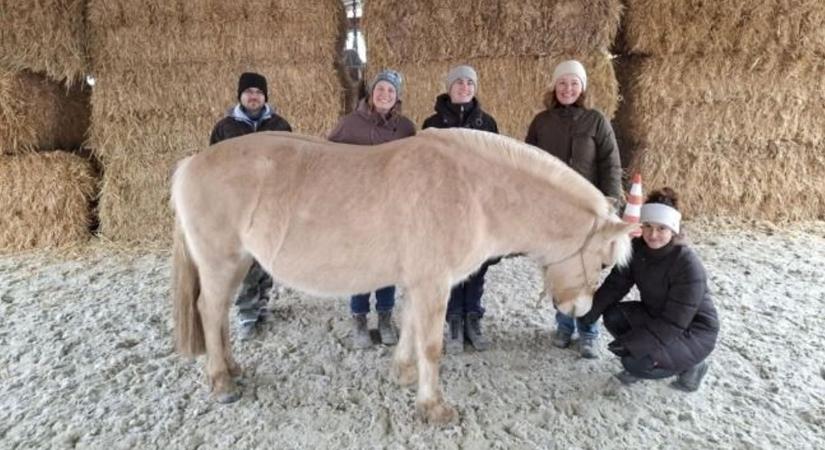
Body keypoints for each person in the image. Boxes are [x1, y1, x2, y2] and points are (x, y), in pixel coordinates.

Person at [525, 59, 623, 358]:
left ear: (582, 88)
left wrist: (611, 199)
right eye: (563, 83)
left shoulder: (596, 121)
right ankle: (564, 324)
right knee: (558, 268)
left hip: (589, 210)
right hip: (553, 212)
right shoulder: (541, 122)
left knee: (586, 270)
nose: (568, 88)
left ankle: (588, 331)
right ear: (554, 87)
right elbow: (527, 164)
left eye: (574, 84)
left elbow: (610, 162)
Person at [578, 188, 719, 391]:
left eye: (661, 228)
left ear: (673, 230)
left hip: (693, 330)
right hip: (656, 315)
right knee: (613, 315)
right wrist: (589, 313)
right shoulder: (637, 249)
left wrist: (635, 345)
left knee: (635, 362)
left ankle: (693, 366)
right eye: (648, 227)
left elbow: (675, 321)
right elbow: (616, 285)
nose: (653, 235)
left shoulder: (687, 265)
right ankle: (650, 356)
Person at [327, 69, 416, 348]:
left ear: (397, 96)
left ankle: (386, 318)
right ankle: (359, 321)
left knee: (389, 265)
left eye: (391, 91)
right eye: (380, 89)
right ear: (371, 93)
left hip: (392, 208)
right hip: (358, 207)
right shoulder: (349, 124)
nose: (385, 94)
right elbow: (327, 158)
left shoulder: (406, 128)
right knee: (360, 264)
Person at [422, 65, 499, 354]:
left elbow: (496, 166)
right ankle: (453, 320)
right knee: (451, 265)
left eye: (469, 83)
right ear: (449, 88)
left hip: (478, 206)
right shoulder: (432, 124)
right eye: (459, 83)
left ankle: (473, 318)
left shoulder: (487, 123)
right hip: (444, 207)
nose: (464, 87)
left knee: (477, 265)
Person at [209, 71, 292, 340]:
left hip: (271, 202)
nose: (253, 96)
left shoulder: (280, 125)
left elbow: (291, 162)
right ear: (240, 96)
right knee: (245, 259)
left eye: (258, 92)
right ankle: (247, 313)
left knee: (267, 256)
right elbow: (214, 165)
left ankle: (262, 304)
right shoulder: (225, 127)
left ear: (265, 96)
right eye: (249, 92)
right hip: (240, 204)